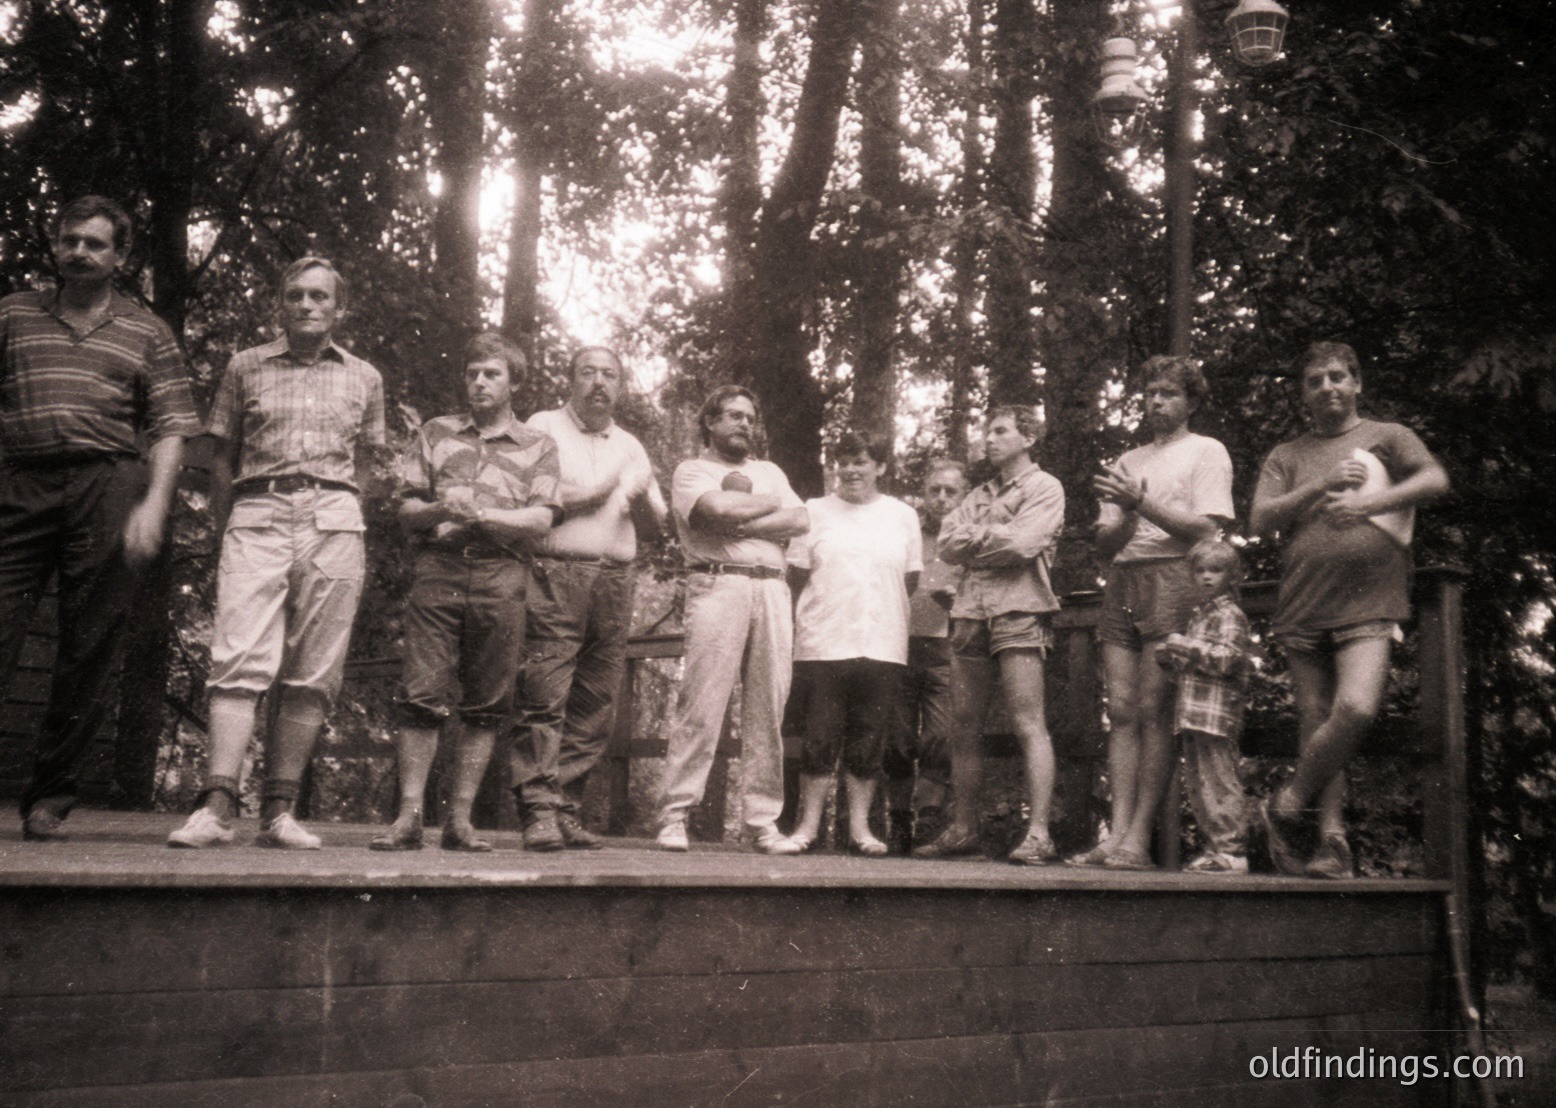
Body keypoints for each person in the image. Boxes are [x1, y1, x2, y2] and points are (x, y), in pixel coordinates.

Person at [168, 256, 386, 849]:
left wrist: (342, 511)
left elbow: (365, 462)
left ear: (339, 309)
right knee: (238, 657)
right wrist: (226, 524)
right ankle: (216, 807)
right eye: (296, 296)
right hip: (256, 513)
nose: (308, 306)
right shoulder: (246, 366)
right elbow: (221, 455)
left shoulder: (365, 377)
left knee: (313, 672)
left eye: (320, 297)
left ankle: (279, 811)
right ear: (280, 305)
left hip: (334, 520)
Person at [0, 196, 200, 840]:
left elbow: (170, 428)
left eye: (95, 243)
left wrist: (153, 505)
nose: (80, 252)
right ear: (55, 248)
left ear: (120, 257)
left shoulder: (147, 330)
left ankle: (49, 795)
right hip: (20, 481)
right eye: (70, 241)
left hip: (107, 484)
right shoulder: (12, 315)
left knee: (89, 642)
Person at [1252, 341, 1449, 878]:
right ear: (1303, 395)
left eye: (1338, 377)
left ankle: (1287, 804)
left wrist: (1367, 504)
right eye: (1315, 381)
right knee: (1315, 718)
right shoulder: (1286, 454)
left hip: (1369, 599)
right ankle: (1330, 843)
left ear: (1357, 382)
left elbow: (1434, 481)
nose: (1328, 388)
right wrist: (1322, 484)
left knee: (1356, 709)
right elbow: (1260, 519)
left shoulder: (1388, 436)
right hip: (1302, 601)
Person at [370, 333, 559, 853]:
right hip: (440, 569)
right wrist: (440, 510)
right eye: (473, 373)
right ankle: (408, 818)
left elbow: (543, 518)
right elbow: (406, 510)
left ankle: (460, 821)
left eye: (492, 374)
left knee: (487, 702)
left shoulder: (538, 445)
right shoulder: (437, 432)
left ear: (514, 382)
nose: (479, 382)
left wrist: (485, 514)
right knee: (421, 694)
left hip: (503, 574)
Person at [1071, 356, 1233, 871]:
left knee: (1151, 709)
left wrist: (1140, 503)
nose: (1155, 402)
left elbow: (1208, 531)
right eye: (1148, 394)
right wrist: (1123, 513)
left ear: (1192, 401)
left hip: (1174, 577)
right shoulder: (1128, 459)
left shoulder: (1206, 451)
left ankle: (1139, 838)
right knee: (1118, 710)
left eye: (1167, 393)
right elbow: (1106, 540)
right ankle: (1115, 834)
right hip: (1123, 577)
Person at [509, 346, 666, 851]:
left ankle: (565, 808)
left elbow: (656, 526)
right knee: (546, 690)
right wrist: (601, 492)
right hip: (558, 571)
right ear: (570, 380)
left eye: (610, 375)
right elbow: (537, 496)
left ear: (620, 386)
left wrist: (639, 502)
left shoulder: (632, 445)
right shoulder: (543, 425)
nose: (599, 383)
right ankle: (536, 810)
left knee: (596, 698)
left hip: (617, 578)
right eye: (588, 373)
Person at [656, 385, 808, 854]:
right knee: (702, 704)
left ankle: (763, 822)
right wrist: (766, 506)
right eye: (732, 416)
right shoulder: (693, 470)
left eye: (749, 416)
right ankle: (675, 816)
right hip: (719, 584)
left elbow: (801, 518)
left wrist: (739, 520)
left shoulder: (768, 471)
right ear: (711, 423)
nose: (743, 424)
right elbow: (714, 509)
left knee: (769, 707)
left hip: (772, 589)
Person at [915, 406, 1065, 864]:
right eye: (988, 431)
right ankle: (964, 829)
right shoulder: (977, 494)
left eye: (1001, 431)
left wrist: (977, 540)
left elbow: (1024, 544)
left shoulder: (1044, 487)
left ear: (1029, 437)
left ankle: (1038, 834)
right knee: (963, 726)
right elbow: (946, 544)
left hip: (1019, 610)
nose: (990, 439)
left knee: (1027, 721)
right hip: (969, 613)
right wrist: (996, 535)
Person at [781, 429, 922, 855]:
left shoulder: (902, 515)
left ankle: (861, 829)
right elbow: (797, 573)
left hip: (882, 643)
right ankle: (807, 828)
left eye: (861, 461)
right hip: (823, 642)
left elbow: (909, 579)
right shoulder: (813, 510)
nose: (850, 470)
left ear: (880, 466)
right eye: (843, 461)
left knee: (868, 739)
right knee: (819, 738)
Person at [883, 458, 968, 854]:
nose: (942, 498)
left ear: (964, 494)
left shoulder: (970, 537)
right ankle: (899, 819)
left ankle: (930, 819)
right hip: (899, 644)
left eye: (951, 491)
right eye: (935, 489)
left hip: (946, 646)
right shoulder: (907, 533)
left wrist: (960, 601)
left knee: (940, 735)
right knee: (897, 739)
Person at [1157, 539, 1254, 874]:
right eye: (1200, 571)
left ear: (1233, 575)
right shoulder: (1200, 616)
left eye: (1216, 570)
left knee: (1220, 780)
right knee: (1199, 784)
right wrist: (1171, 659)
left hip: (1216, 714)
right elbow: (1194, 667)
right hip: (1195, 712)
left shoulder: (1229, 614)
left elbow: (1228, 659)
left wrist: (1187, 645)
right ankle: (1217, 850)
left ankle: (1233, 850)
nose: (1207, 577)